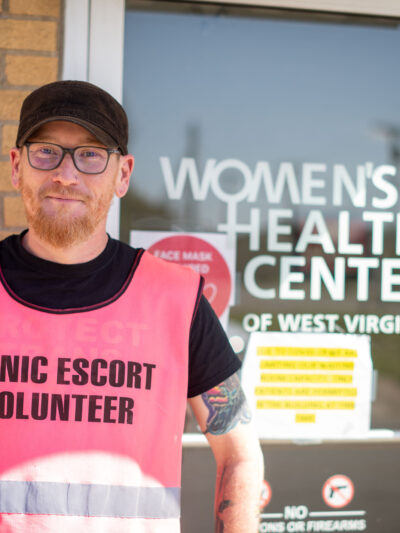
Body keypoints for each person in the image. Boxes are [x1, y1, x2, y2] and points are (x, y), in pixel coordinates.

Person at [0, 80, 264, 533]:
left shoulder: (176, 300)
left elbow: (239, 454)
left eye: (91, 154)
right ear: (17, 166)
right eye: (47, 152)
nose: (66, 173)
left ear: (123, 174)